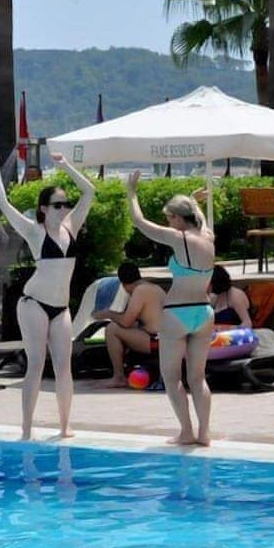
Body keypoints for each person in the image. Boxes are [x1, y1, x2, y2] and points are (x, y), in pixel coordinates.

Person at [0, 151, 95, 440]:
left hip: (61, 308)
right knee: (35, 364)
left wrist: (64, 165)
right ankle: (26, 428)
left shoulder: (71, 227)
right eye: (57, 205)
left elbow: (89, 191)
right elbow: (4, 205)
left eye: (65, 204)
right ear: (44, 209)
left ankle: (64, 426)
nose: (63, 209)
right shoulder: (35, 232)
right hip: (33, 303)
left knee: (63, 367)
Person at [127, 171, 216, 445]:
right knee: (198, 378)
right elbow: (198, 219)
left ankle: (186, 431)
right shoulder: (208, 237)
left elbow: (139, 222)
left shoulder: (179, 239)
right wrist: (193, 201)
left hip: (177, 312)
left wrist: (132, 192)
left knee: (172, 376)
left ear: (178, 218)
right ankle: (204, 433)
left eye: (169, 217)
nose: (168, 222)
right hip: (204, 312)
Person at [93, 261, 166, 388]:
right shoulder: (156, 288)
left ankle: (119, 377)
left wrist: (108, 313)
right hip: (165, 338)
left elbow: (126, 322)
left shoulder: (140, 291)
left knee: (112, 329)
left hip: (156, 341)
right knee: (123, 327)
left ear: (123, 284)